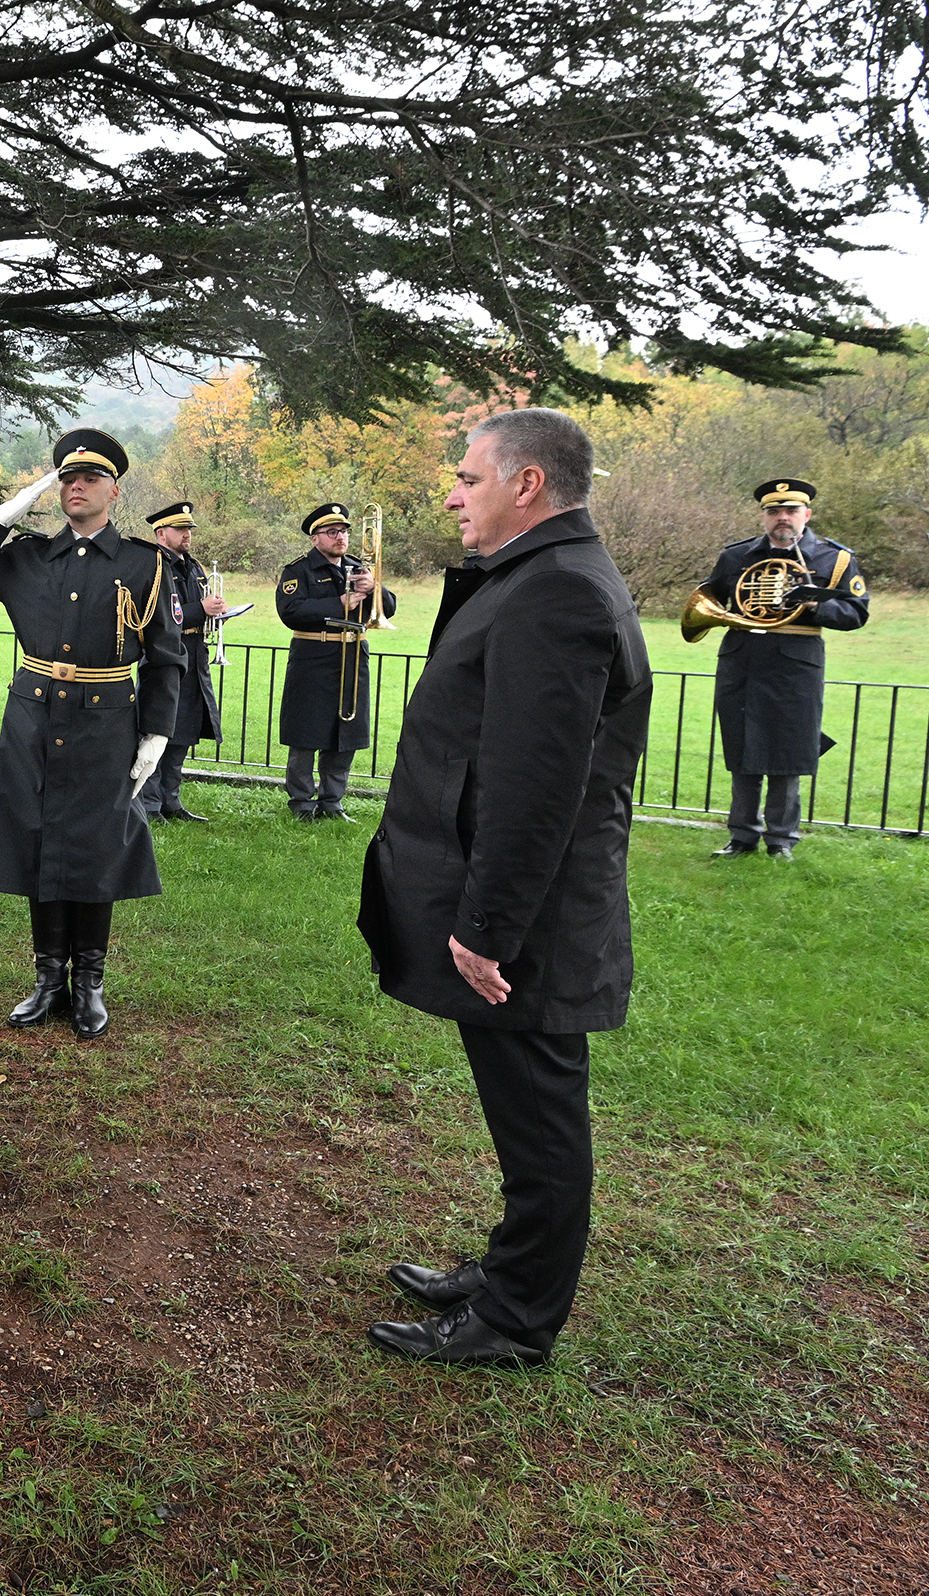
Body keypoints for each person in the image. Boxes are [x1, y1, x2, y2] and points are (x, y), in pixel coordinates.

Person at [357, 410, 649, 1369]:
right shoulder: (541, 573)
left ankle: (517, 1319)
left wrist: (488, 927)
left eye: (468, 478)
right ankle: (508, 1272)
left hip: (533, 918)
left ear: (528, 485)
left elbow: (537, 782)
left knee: (539, 1117)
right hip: (525, 902)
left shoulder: (556, 588)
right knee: (524, 1112)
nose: (452, 496)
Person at [0, 429, 187, 1040]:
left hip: (107, 722)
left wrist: (157, 733)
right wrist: (6, 513)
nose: (77, 486)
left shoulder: (143, 563)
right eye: (67, 479)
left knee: (96, 845)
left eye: (90, 478)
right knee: (39, 836)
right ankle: (48, 979)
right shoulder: (25, 557)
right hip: (34, 716)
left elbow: (166, 657)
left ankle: (89, 983)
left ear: (113, 492)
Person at [699, 479, 869, 859]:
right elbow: (709, 597)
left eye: (791, 511)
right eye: (774, 511)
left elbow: (856, 612)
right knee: (742, 747)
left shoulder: (835, 559)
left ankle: (781, 839)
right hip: (742, 659)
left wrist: (815, 606)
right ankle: (741, 836)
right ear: (764, 517)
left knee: (788, 751)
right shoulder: (736, 556)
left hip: (796, 664)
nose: (783, 518)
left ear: (806, 515)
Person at [275, 503, 397, 819]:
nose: (340, 537)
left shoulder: (358, 567)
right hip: (313, 658)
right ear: (315, 538)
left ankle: (332, 802)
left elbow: (389, 608)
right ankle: (302, 802)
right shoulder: (299, 570)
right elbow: (290, 611)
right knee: (305, 734)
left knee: (346, 734)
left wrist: (375, 588)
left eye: (343, 531)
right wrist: (339, 602)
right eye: (332, 532)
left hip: (353, 658)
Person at [135, 501, 225, 823]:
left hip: (194, 655)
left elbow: (197, 607)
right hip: (164, 655)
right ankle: (149, 804)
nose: (187, 534)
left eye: (189, 529)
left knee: (183, 731)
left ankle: (170, 801)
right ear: (161, 533)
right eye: (180, 529)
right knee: (159, 728)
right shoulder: (153, 566)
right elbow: (154, 614)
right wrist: (201, 609)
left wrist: (216, 612)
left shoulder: (194, 566)